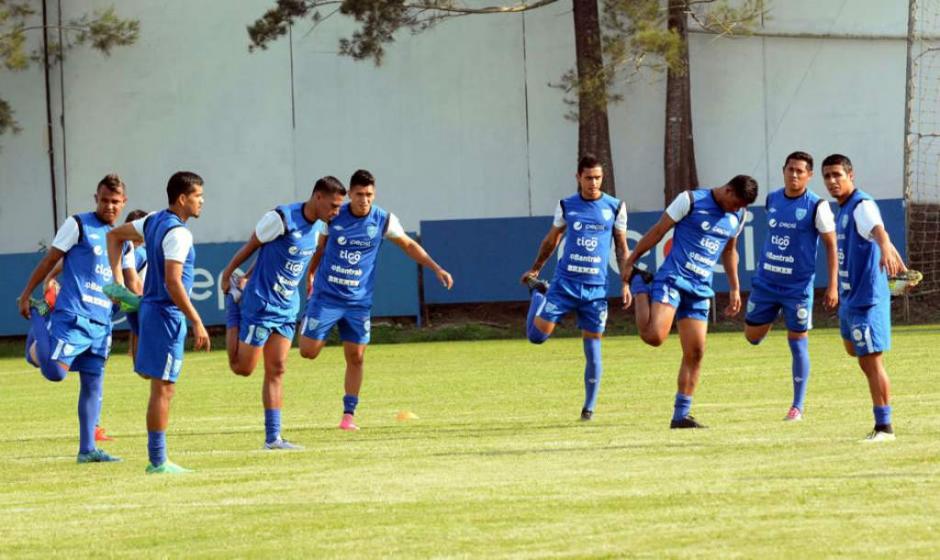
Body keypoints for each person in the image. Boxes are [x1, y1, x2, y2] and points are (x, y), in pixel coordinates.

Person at [298, 169, 453, 431]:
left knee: (356, 357)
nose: (364, 200)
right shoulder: (334, 216)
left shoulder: (383, 220)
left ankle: (348, 416)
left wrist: (436, 268)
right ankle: (312, 318)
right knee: (308, 352)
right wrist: (311, 274)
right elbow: (320, 248)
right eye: (359, 194)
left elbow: (408, 245)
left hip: (358, 303)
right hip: (327, 297)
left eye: (369, 194)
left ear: (375, 194)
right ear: (350, 194)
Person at [220, 176, 346, 449]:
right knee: (243, 368)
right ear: (318, 197)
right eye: (334, 205)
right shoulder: (281, 218)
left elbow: (276, 256)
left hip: (287, 308)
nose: (337, 212)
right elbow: (253, 246)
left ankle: (273, 438)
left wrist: (251, 275)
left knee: (277, 368)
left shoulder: (320, 227)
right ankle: (234, 307)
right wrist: (229, 275)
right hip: (262, 305)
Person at [625, 175, 759, 428]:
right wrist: (631, 260)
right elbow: (658, 231)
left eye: (741, 207)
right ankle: (641, 286)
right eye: (736, 204)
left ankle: (681, 416)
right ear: (728, 190)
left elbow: (729, 250)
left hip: (700, 289)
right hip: (674, 279)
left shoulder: (737, 216)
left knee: (695, 353)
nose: (737, 210)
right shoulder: (690, 200)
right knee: (654, 337)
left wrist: (735, 287)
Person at [16, 174, 128, 463]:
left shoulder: (122, 240)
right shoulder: (78, 224)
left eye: (115, 201)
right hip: (73, 315)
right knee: (55, 372)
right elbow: (50, 259)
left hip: (102, 323)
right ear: (96, 199)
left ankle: (87, 449)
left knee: (93, 384)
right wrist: (27, 294)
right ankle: (40, 317)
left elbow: (123, 284)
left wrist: (132, 301)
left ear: (124, 203)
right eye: (105, 200)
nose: (110, 206)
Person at [106, 171, 210, 473]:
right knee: (164, 389)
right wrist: (196, 320)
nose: (202, 201)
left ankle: (158, 458)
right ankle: (158, 460)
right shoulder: (179, 233)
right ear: (182, 198)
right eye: (198, 196)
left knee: (156, 382)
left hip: (151, 309)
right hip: (166, 314)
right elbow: (173, 282)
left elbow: (114, 236)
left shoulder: (153, 219)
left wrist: (117, 281)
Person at [519, 154, 631, 421]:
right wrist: (536, 269)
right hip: (564, 285)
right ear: (578, 177)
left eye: (598, 178)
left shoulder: (615, 207)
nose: (594, 183)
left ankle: (588, 409)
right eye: (588, 178)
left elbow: (621, 247)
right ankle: (539, 294)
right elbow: (552, 240)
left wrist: (625, 282)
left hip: (596, 291)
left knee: (593, 349)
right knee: (536, 338)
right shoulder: (567, 205)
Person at [744, 152, 838, 421]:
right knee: (752, 338)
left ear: (809, 175)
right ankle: (773, 312)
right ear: (783, 170)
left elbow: (831, 246)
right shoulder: (772, 199)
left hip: (797, 288)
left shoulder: (817, 206)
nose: (794, 174)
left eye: (800, 171)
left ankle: (797, 406)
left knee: (797, 342)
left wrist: (832, 285)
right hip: (766, 283)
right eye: (791, 169)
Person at [822, 154, 905, 442]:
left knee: (871, 362)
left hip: (867, 300)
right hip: (850, 299)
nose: (832, 181)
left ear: (851, 175)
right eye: (827, 176)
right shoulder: (843, 208)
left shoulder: (861, 204)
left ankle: (885, 427)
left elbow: (877, 229)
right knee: (856, 353)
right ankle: (883, 423)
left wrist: (886, 247)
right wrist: (888, 249)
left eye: (837, 175)